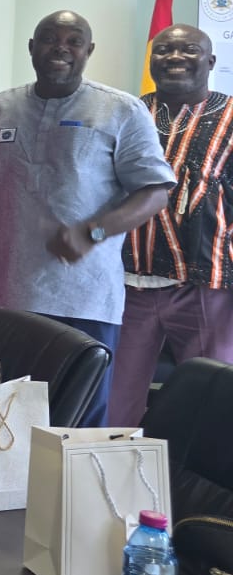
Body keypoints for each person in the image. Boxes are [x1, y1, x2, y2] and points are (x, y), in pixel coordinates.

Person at [0, 11, 174, 428]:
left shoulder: (121, 110)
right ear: (31, 48)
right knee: (0, 425)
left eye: (73, 40)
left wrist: (93, 232)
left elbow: (155, 191)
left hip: (84, 301)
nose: (60, 48)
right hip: (4, 296)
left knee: (74, 427)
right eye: (49, 38)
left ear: (88, 51)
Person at [115, 24, 233, 426]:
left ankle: (196, 472)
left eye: (189, 50)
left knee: (210, 406)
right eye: (164, 50)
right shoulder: (126, 112)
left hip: (204, 287)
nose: (175, 57)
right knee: (114, 405)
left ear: (210, 61)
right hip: (127, 285)